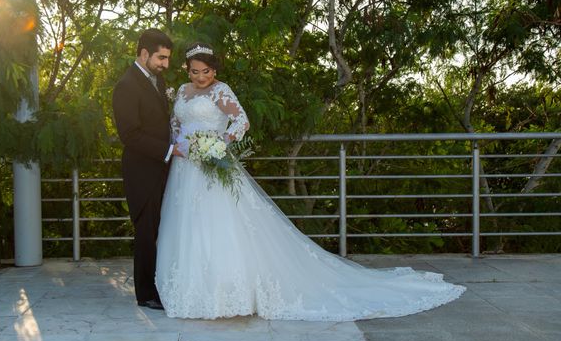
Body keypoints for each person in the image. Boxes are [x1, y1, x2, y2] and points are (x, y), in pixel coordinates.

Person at [155, 43, 465, 320]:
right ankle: (195, 291)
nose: (199, 78)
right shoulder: (182, 91)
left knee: (221, 226)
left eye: (205, 72)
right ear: (187, 69)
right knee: (190, 226)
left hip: (216, 163)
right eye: (194, 72)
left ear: (215, 69)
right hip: (186, 168)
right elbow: (176, 122)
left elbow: (242, 121)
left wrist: (220, 143)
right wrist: (179, 144)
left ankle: (229, 293)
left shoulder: (221, 91)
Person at [112, 29, 181, 310]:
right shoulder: (126, 86)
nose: (165, 64)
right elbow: (130, 134)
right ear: (144, 54)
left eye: (167, 58)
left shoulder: (157, 79)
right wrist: (169, 150)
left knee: (162, 229)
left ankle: (161, 284)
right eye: (161, 58)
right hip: (142, 171)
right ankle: (146, 294)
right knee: (146, 231)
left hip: (163, 169)